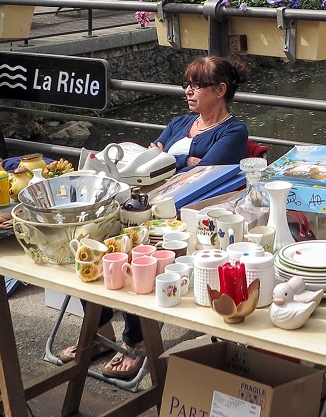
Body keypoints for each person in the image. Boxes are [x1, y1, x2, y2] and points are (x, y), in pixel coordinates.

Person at [62, 55, 251, 379]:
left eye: (197, 85)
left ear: (220, 90)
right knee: (83, 238)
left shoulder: (233, 131)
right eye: (187, 85)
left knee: (140, 248)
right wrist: (181, 159)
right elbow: (145, 159)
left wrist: (169, 159)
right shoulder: (180, 122)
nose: (188, 91)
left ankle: (135, 341)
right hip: (145, 200)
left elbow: (205, 173)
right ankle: (101, 331)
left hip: (189, 212)